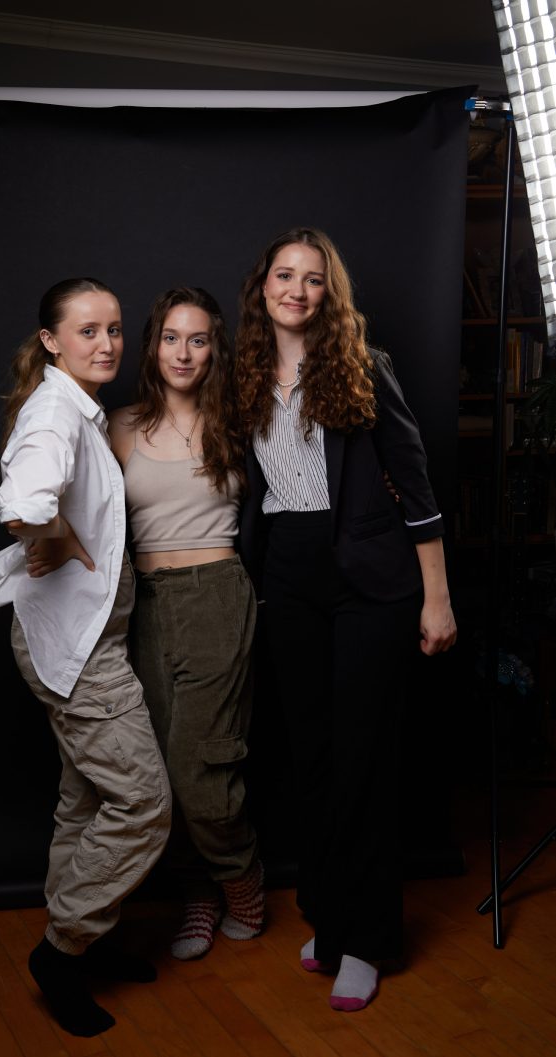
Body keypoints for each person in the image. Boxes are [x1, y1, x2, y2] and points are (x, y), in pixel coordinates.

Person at [235, 228, 457, 1012]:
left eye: (313, 278)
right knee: (312, 759)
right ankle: (329, 919)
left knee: (363, 761)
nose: (296, 289)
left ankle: (368, 938)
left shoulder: (363, 364)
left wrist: (436, 597)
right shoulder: (243, 371)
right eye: (284, 275)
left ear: (329, 292)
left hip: (369, 577)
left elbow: (415, 484)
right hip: (288, 575)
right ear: (262, 285)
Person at [0, 277, 171, 1037]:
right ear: (51, 340)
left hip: (86, 641)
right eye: (87, 331)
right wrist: (54, 535)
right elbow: (21, 506)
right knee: (142, 805)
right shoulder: (54, 413)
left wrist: (64, 536)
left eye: (114, 329)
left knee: (85, 799)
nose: (107, 344)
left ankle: (87, 941)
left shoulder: (76, 408)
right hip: (79, 654)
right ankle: (62, 948)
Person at [108, 286, 264, 960]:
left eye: (197, 340)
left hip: (216, 597)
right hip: (143, 603)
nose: (182, 352)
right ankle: (196, 894)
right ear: (152, 346)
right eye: (171, 337)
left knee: (202, 764)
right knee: (157, 772)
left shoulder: (240, 421)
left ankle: (241, 879)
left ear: (213, 350)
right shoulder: (119, 427)